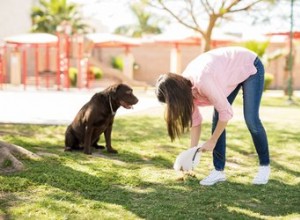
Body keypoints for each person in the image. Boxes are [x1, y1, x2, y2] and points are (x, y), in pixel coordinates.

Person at [155, 46, 270, 186]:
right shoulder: (184, 91)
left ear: (176, 95)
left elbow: (226, 112)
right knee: (217, 119)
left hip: (248, 64)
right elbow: (195, 122)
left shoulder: (202, 80)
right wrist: (191, 155)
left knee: (251, 119)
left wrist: (212, 140)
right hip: (226, 73)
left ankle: (264, 166)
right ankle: (218, 171)